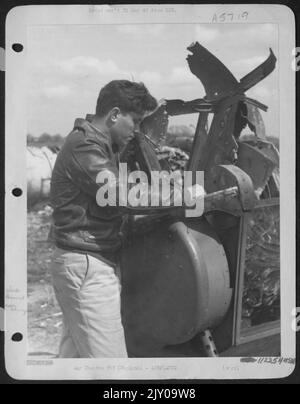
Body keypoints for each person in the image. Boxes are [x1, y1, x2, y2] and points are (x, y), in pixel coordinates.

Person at [50, 80, 202, 358]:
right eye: (135, 121)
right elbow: (121, 194)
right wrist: (182, 194)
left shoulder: (97, 145)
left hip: (82, 262)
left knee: (71, 364)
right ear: (114, 114)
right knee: (112, 366)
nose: (136, 131)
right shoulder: (85, 146)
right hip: (87, 267)